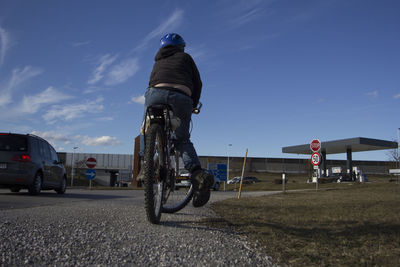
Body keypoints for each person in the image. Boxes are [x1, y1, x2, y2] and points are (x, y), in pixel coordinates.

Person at [140, 33, 213, 207]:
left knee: (145, 128)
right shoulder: (186, 58)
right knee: (182, 139)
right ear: (181, 47)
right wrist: (193, 104)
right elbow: (198, 83)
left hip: (155, 95)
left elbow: (152, 81)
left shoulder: (157, 61)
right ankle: (197, 174)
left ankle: (145, 165)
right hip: (181, 97)